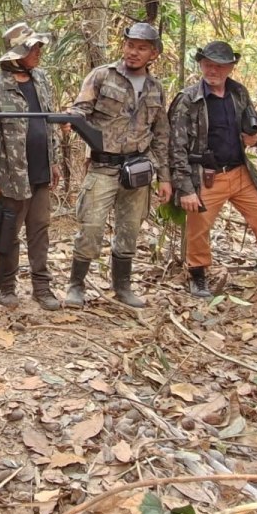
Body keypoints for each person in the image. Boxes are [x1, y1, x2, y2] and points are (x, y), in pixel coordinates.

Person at [168, 41, 257, 297]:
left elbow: (256, 126)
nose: (213, 70)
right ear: (201, 65)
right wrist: (185, 188)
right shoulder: (188, 99)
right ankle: (198, 276)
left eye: (219, 66)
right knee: (198, 227)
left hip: (240, 172)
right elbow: (175, 146)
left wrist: (255, 137)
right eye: (208, 65)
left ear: (230, 68)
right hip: (207, 175)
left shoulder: (238, 92)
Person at [63, 23, 172, 309]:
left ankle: (122, 286)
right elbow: (81, 109)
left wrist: (164, 177)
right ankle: (76, 285)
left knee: (129, 229)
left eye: (142, 48)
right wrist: (70, 118)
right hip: (103, 166)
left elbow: (161, 134)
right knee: (91, 227)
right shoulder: (102, 76)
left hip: (138, 169)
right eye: (130, 45)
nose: (134, 52)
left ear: (153, 54)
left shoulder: (155, 87)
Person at [0, 23, 62, 310]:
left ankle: (42, 286)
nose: (38, 52)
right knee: (8, 232)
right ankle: (7, 286)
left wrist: (54, 161)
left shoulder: (42, 79)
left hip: (40, 171)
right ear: (16, 53)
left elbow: (49, 123)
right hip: (11, 176)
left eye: (38, 46)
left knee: (39, 230)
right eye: (32, 48)